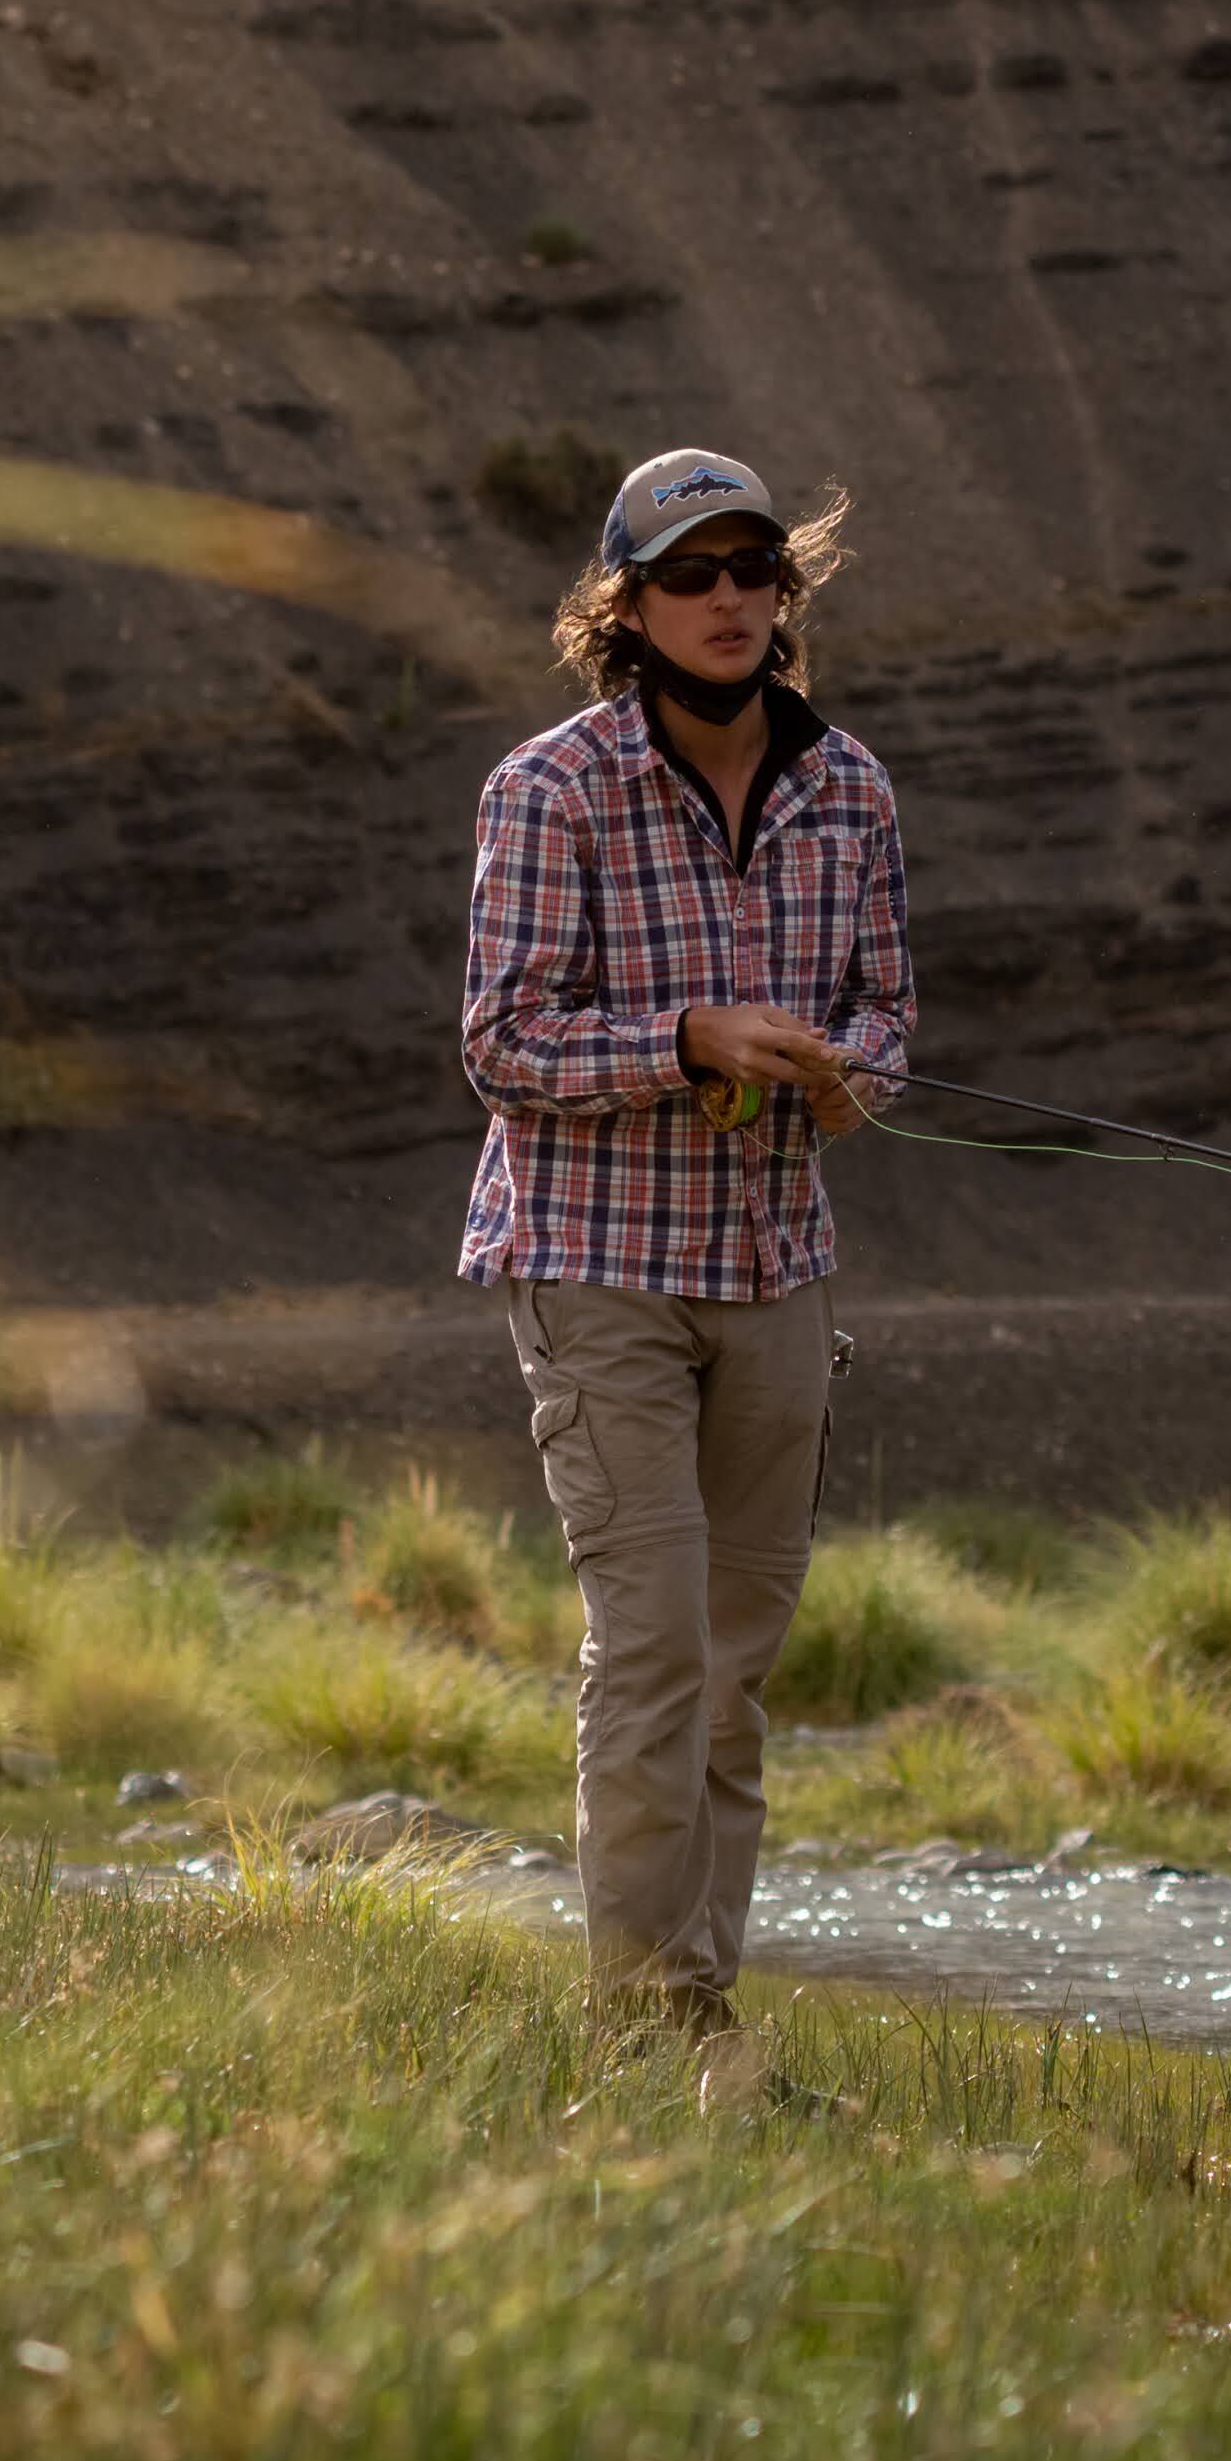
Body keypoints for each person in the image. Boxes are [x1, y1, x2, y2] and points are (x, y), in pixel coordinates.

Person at [455, 446, 913, 2046]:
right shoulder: (550, 787)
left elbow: (887, 1013)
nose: (725, 598)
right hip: (593, 1265)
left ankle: (693, 2006)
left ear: (784, 595)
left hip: (779, 1265)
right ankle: (649, 2021)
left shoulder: (847, 786)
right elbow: (501, 1045)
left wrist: (855, 1076)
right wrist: (688, 1037)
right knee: (649, 1645)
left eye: (750, 570)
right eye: (688, 573)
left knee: (734, 1665)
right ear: (626, 607)